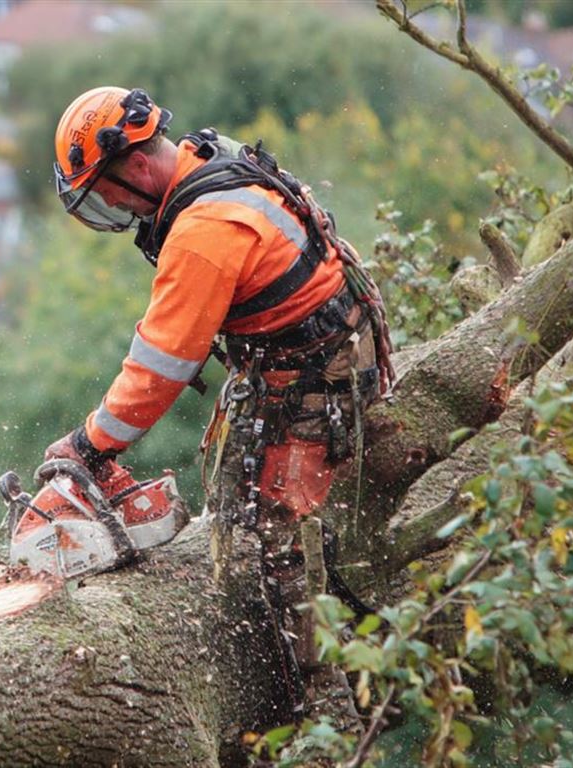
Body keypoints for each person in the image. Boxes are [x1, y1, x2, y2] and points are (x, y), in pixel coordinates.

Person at [37, 86, 394, 623]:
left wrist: (91, 444)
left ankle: (325, 689)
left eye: (107, 191)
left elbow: (162, 363)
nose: (111, 205)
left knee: (278, 549)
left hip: (315, 380)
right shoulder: (209, 155)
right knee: (237, 514)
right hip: (323, 349)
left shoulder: (204, 231)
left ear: (135, 162)